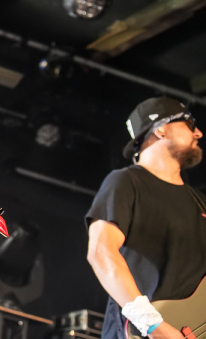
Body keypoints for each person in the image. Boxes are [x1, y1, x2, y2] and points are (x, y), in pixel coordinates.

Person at [85, 97, 205, 339]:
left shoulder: (199, 202)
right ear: (161, 129)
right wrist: (153, 326)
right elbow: (100, 252)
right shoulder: (126, 182)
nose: (199, 133)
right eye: (189, 124)